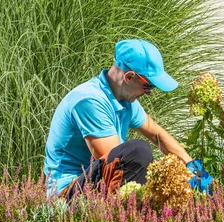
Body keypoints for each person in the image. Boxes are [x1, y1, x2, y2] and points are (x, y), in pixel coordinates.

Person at [43, 39, 212, 200]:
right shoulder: (89, 101)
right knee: (137, 152)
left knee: (139, 155)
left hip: (96, 182)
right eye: (148, 85)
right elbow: (115, 162)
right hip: (67, 193)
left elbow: (157, 135)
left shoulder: (125, 100)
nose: (149, 92)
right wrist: (170, 177)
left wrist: (191, 167)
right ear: (129, 77)